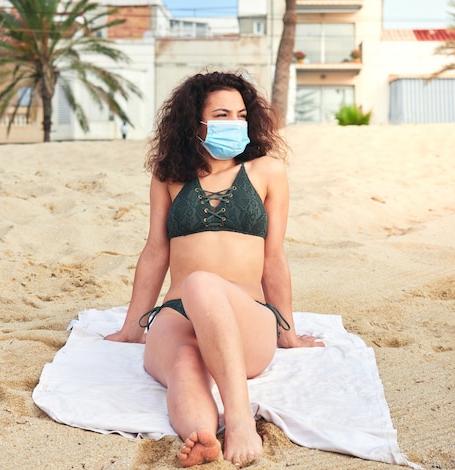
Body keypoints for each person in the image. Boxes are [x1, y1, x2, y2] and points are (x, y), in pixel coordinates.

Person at [106, 71, 324, 468]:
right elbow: (155, 252)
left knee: (203, 283)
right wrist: (131, 328)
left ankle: (240, 420)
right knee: (184, 365)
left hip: (246, 316)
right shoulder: (169, 176)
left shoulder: (267, 171)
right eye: (222, 114)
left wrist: (287, 334)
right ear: (196, 122)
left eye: (240, 115)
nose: (234, 123)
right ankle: (202, 437)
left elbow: (274, 257)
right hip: (177, 316)